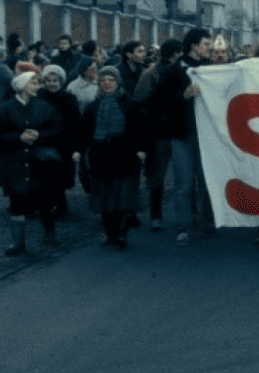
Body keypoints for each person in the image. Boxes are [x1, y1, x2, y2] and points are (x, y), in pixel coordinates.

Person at [152, 27, 212, 246]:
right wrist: (183, 96)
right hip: (182, 135)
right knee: (184, 184)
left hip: (208, 136)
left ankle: (208, 221)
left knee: (207, 182)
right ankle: (183, 226)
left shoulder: (212, 68)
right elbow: (159, 103)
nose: (209, 47)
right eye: (206, 43)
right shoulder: (173, 71)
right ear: (194, 45)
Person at [77, 67, 146, 249]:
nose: (107, 83)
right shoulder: (92, 107)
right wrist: (79, 150)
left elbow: (139, 129)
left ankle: (122, 235)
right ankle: (110, 234)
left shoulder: (130, 104)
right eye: (103, 80)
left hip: (125, 156)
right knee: (104, 199)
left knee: (123, 199)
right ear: (99, 84)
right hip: (100, 158)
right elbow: (84, 132)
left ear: (117, 83)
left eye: (110, 80)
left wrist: (140, 149)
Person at [0, 69, 63, 255]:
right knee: (17, 202)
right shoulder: (5, 108)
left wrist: (39, 134)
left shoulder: (44, 107)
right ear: (21, 86)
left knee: (44, 200)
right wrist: (17, 137)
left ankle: (50, 233)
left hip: (39, 162)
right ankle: (18, 243)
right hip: (15, 163)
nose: (37, 87)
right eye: (33, 83)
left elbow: (58, 129)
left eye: (37, 83)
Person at [133, 39, 183, 232]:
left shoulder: (184, 71)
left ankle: (184, 216)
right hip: (160, 132)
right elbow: (140, 102)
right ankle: (155, 214)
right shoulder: (151, 74)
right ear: (174, 54)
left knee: (182, 176)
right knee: (157, 176)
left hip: (178, 130)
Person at [38, 65, 82, 218]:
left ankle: (60, 205)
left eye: (55, 80)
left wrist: (76, 146)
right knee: (44, 175)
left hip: (63, 143)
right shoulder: (39, 97)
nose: (52, 83)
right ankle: (48, 204)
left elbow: (76, 123)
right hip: (43, 142)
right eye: (48, 80)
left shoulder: (69, 99)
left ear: (61, 82)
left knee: (59, 177)